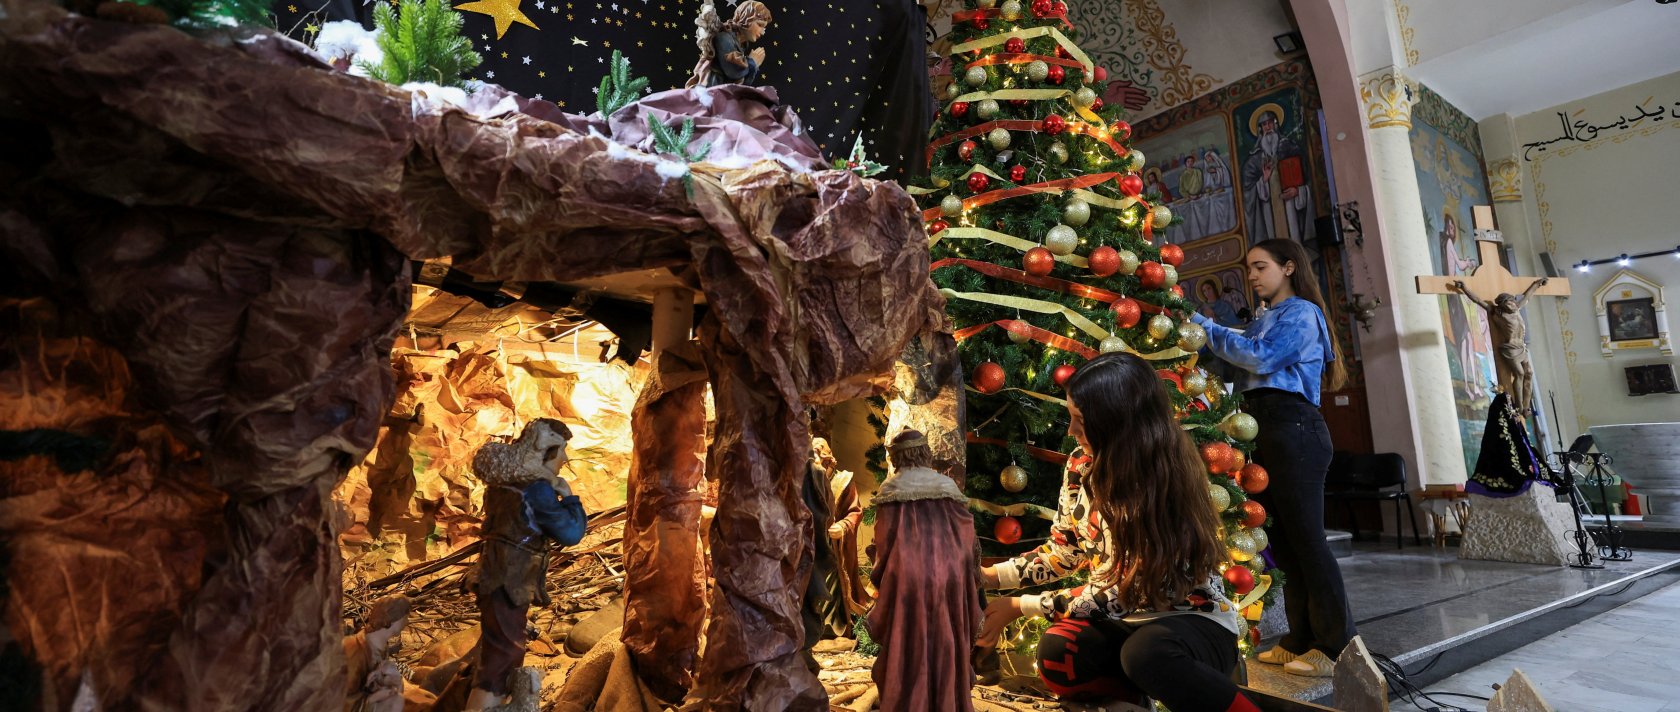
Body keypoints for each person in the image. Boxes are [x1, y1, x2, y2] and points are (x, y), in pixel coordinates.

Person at [975, 352, 1259, 712]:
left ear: (1116, 421)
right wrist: (990, 577)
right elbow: (1065, 552)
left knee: (1146, 654)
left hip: (1189, 624)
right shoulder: (1081, 465)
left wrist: (1021, 605)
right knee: (1058, 651)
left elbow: (1131, 588)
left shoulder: (1161, 480)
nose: (1071, 431)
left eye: (1081, 420)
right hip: (1119, 620)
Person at [1190, 238, 1354, 677]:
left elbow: (1260, 359)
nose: (1253, 276)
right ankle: (1300, 639)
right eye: (1249, 269)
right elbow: (1235, 365)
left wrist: (1206, 327)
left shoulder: (1301, 313)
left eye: (1261, 267)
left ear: (1288, 268)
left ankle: (1336, 647)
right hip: (1262, 429)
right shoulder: (1265, 319)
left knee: (1309, 541)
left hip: (1294, 428)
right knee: (1283, 544)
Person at [466, 419, 588, 711]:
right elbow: (570, 533)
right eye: (562, 451)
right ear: (547, 451)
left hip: (497, 575)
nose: (565, 459)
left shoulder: (506, 483)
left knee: (498, 651)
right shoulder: (535, 490)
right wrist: (570, 498)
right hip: (509, 580)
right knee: (503, 657)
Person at [867, 430, 981, 712]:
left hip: (907, 575)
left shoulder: (892, 488)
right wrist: (961, 567)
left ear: (897, 456)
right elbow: (967, 533)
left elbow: (884, 539)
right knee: (946, 635)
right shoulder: (946, 486)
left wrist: (879, 569)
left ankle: (909, 700)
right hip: (949, 572)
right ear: (924, 453)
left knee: (908, 636)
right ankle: (946, 701)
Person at [686, 1, 772, 88]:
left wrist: (753, 65)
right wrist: (752, 62)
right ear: (746, 19)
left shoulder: (741, 46)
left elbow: (742, 84)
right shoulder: (724, 38)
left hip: (723, 93)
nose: (762, 32)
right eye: (760, 25)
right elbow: (733, 72)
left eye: (764, 28)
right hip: (710, 90)